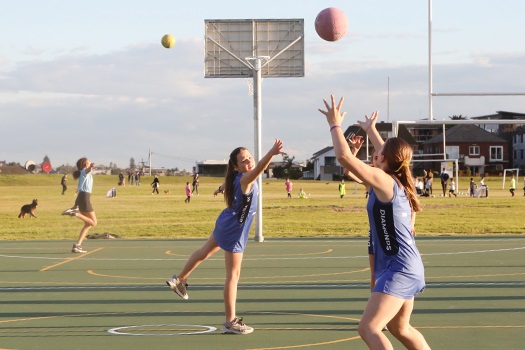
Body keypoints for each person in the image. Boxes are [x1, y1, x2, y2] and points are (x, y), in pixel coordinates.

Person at [319, 95, 430, 350]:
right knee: (400, 328)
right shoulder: (394, 179)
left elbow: (345, 159)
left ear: (384, 160)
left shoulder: (385, 181)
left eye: (378, 152)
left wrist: (335, 124)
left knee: (368, 328)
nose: (375, 153)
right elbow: (387, 153)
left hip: (400, 268)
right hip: (404, 265)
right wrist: (370, 130)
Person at [166, 139, 284, 335]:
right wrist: (271, 153)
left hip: (226, 221)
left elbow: (230, 181)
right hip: (234, 229)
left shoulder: (235, 178)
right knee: (233, 275)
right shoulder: (246, 179)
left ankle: (179, 279)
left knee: (204, 252)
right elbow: (259, 169)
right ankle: (230, 321)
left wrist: (220, 188)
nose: (249, 162)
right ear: (237, 167)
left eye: (250, 158)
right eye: (244, 161)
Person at [61, 158, 98, 254]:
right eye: (88, 161)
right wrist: (91, 166)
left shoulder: (83, 173)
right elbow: (88, 170)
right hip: (84, 198)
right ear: (85, 164)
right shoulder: (84, 172)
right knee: (94, 223)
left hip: (82, 198)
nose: (90, 162)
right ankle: (75, 213)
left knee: (88, 224)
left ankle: (77, 245)